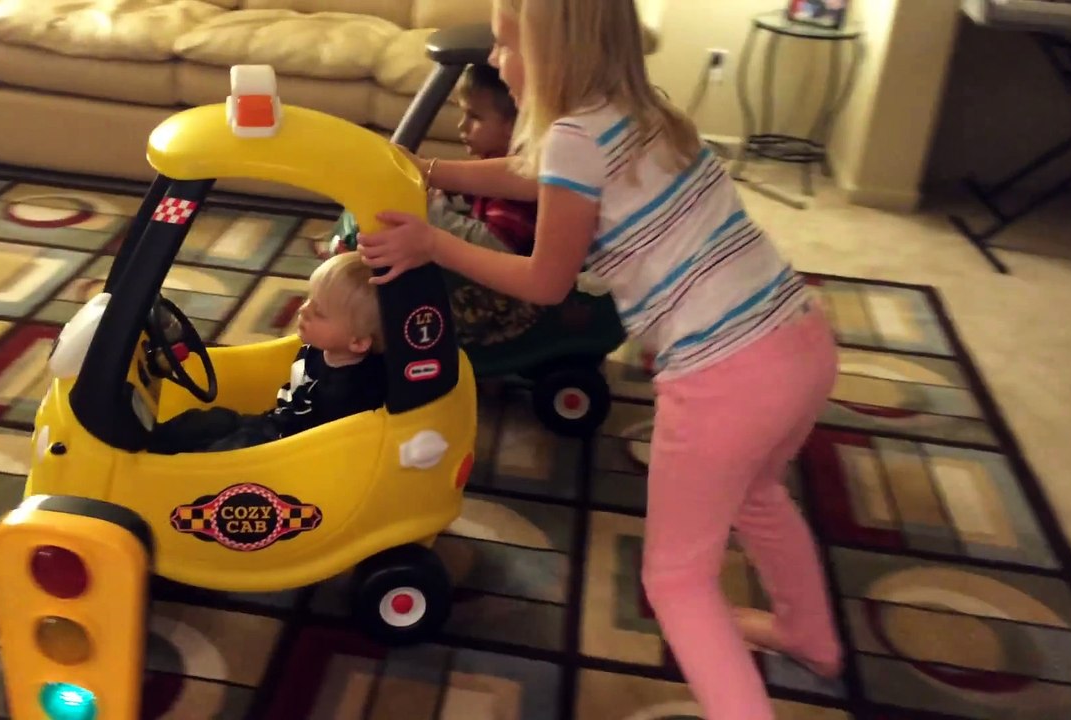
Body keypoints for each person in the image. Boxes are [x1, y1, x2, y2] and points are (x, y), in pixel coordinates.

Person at [354, 1, 842, 718]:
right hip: (800, 342)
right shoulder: (641, 109)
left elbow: (547, 283)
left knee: (676, 582)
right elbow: (545, 184)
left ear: (552, 55)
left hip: (722, 379)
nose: (494, 61)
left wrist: (433, 244)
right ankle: (810, 635)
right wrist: (433, 173)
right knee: (758, 493)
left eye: (504, 45)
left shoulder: (574, 136)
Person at [152, 251, 386, 454]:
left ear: (357, 343)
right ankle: (148, 444)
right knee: (208, 422)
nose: (303, 310)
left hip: (291, 448)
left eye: (320, 313)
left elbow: (328, 448)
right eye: (309, 299)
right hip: (273, 422)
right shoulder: (321, 347)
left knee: (221, 455)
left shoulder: (353, 391)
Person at [427, 64, 543, 347]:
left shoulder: (517, 180)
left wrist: (435, 216)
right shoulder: (495, 163)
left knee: (421, 292)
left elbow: (496, 243)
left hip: (512, 299)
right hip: (501, 283)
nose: (461, 126)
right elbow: (471, 196)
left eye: (474, 116)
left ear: (512, 126)